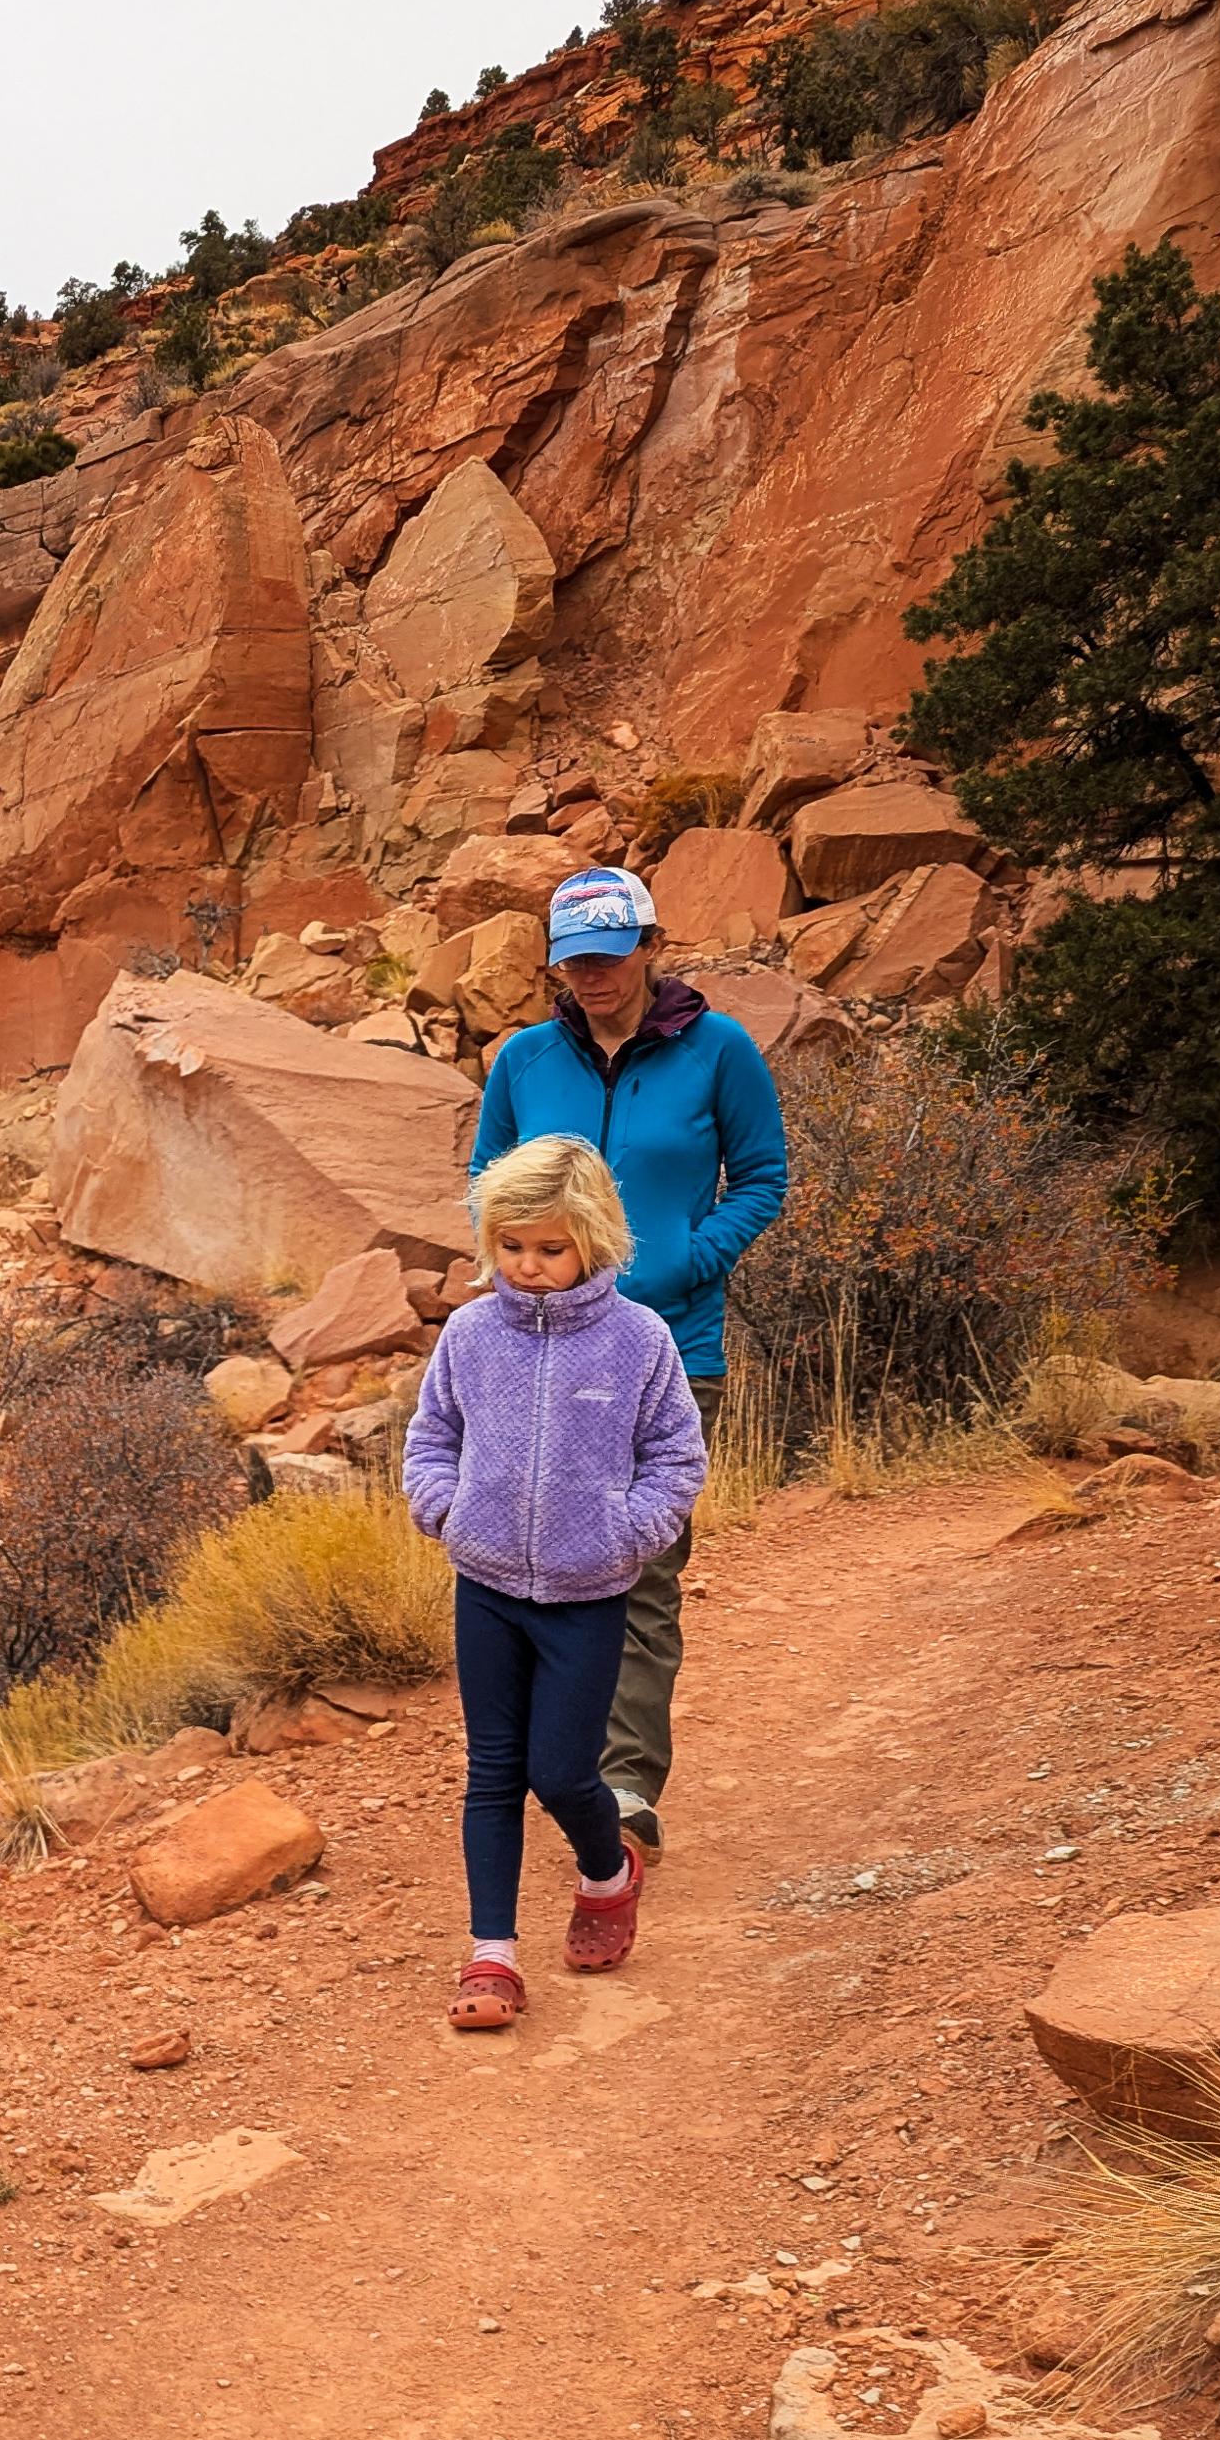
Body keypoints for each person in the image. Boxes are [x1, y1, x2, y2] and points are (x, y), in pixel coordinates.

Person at [469, 867, 787, 1873]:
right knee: (534, 1564)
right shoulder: (524, 1061)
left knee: (640, 1567)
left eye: (609, 954)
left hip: (669, 1347)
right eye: (573, 960)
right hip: (537, 1354)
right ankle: (551, 1765)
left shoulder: (719, 1050)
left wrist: (685, 1262)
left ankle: (627, 1789)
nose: (591, 975)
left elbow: (763, 1178)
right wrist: (514, 1289)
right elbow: (487, 1187)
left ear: (650, 946)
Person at [400, 1134, 707, 2032]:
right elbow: (432, 1436)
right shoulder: (469, 1335)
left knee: (564, 1774)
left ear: (593, 1240)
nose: (527, 1266)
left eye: (550, 1248)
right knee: (494, 1773)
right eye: (511, 1245)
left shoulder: (638, 1341)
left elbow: (676, 1457)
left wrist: (627, 1532)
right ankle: (492, 1956)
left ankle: (607, 1874)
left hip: (589, 1595)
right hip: (486, 1587)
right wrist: (445, 1509)